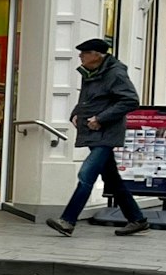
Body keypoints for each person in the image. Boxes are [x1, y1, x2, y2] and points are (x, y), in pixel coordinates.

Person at [48, 38, 149, 237]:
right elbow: (85, 99)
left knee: (86, 175)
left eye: (84, 53)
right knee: (112, 179)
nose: (80, 56)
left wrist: (101, 118)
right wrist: (76, 114)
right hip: (95, 132)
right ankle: (137, 219)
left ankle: (67, 221)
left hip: (106, 133)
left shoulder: (115, 73)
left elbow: (130, 100)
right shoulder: (90, 72)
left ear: (97, 55)